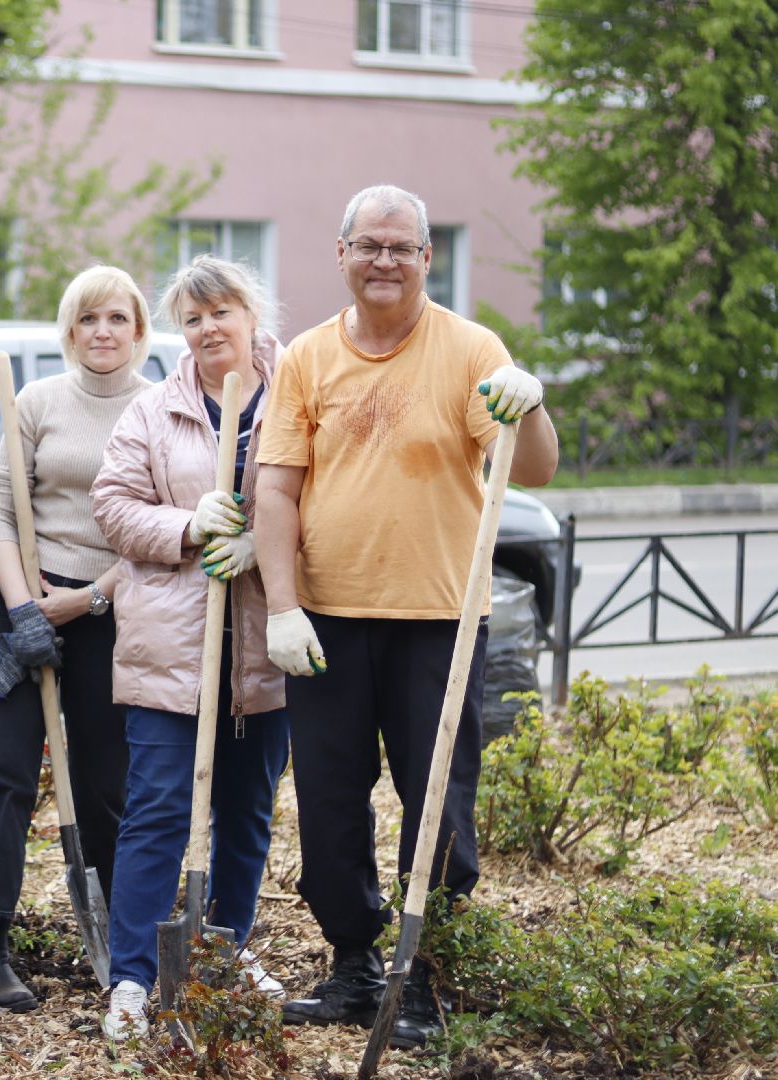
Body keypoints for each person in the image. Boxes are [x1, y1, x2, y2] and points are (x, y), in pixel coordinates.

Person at [254, 184, 558, 1049]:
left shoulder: (471, 350)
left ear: (428, 259)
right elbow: (277, 487)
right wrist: (282, 606)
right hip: (326, 623)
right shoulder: (308, 359)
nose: (384, 261)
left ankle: (423, 971)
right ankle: (353, 964)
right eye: (369, 246)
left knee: (439, 801)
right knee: (328, 802)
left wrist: (528, 404)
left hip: (439, 622)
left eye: (402, 247)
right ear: (341, 255)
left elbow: (531, 472)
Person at [90, 255, 294, 1040]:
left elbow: (327, 497)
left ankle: (223, 950)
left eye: (223, 312)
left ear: (253, 314)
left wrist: (264, 546)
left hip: (261, 651)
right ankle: (134, 975)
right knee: (157, 814)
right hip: (170, 649)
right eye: (194, 318)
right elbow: (112, 506)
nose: (210, 329)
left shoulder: (298, 394)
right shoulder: (154, 410)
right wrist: (186, 528)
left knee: (246, 814)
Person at [0, 265, 151, 1011]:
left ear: (139, 331)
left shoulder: (161, 410)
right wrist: (23, 610)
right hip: (20, 610)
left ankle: (118, 942)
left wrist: (84, 601)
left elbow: (154, 534)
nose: (101, 333)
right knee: (3, 779)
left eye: (116, 319)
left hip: (111, 613)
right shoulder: (36, 402)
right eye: (86, 320)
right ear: (67, 332)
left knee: (109, 786)